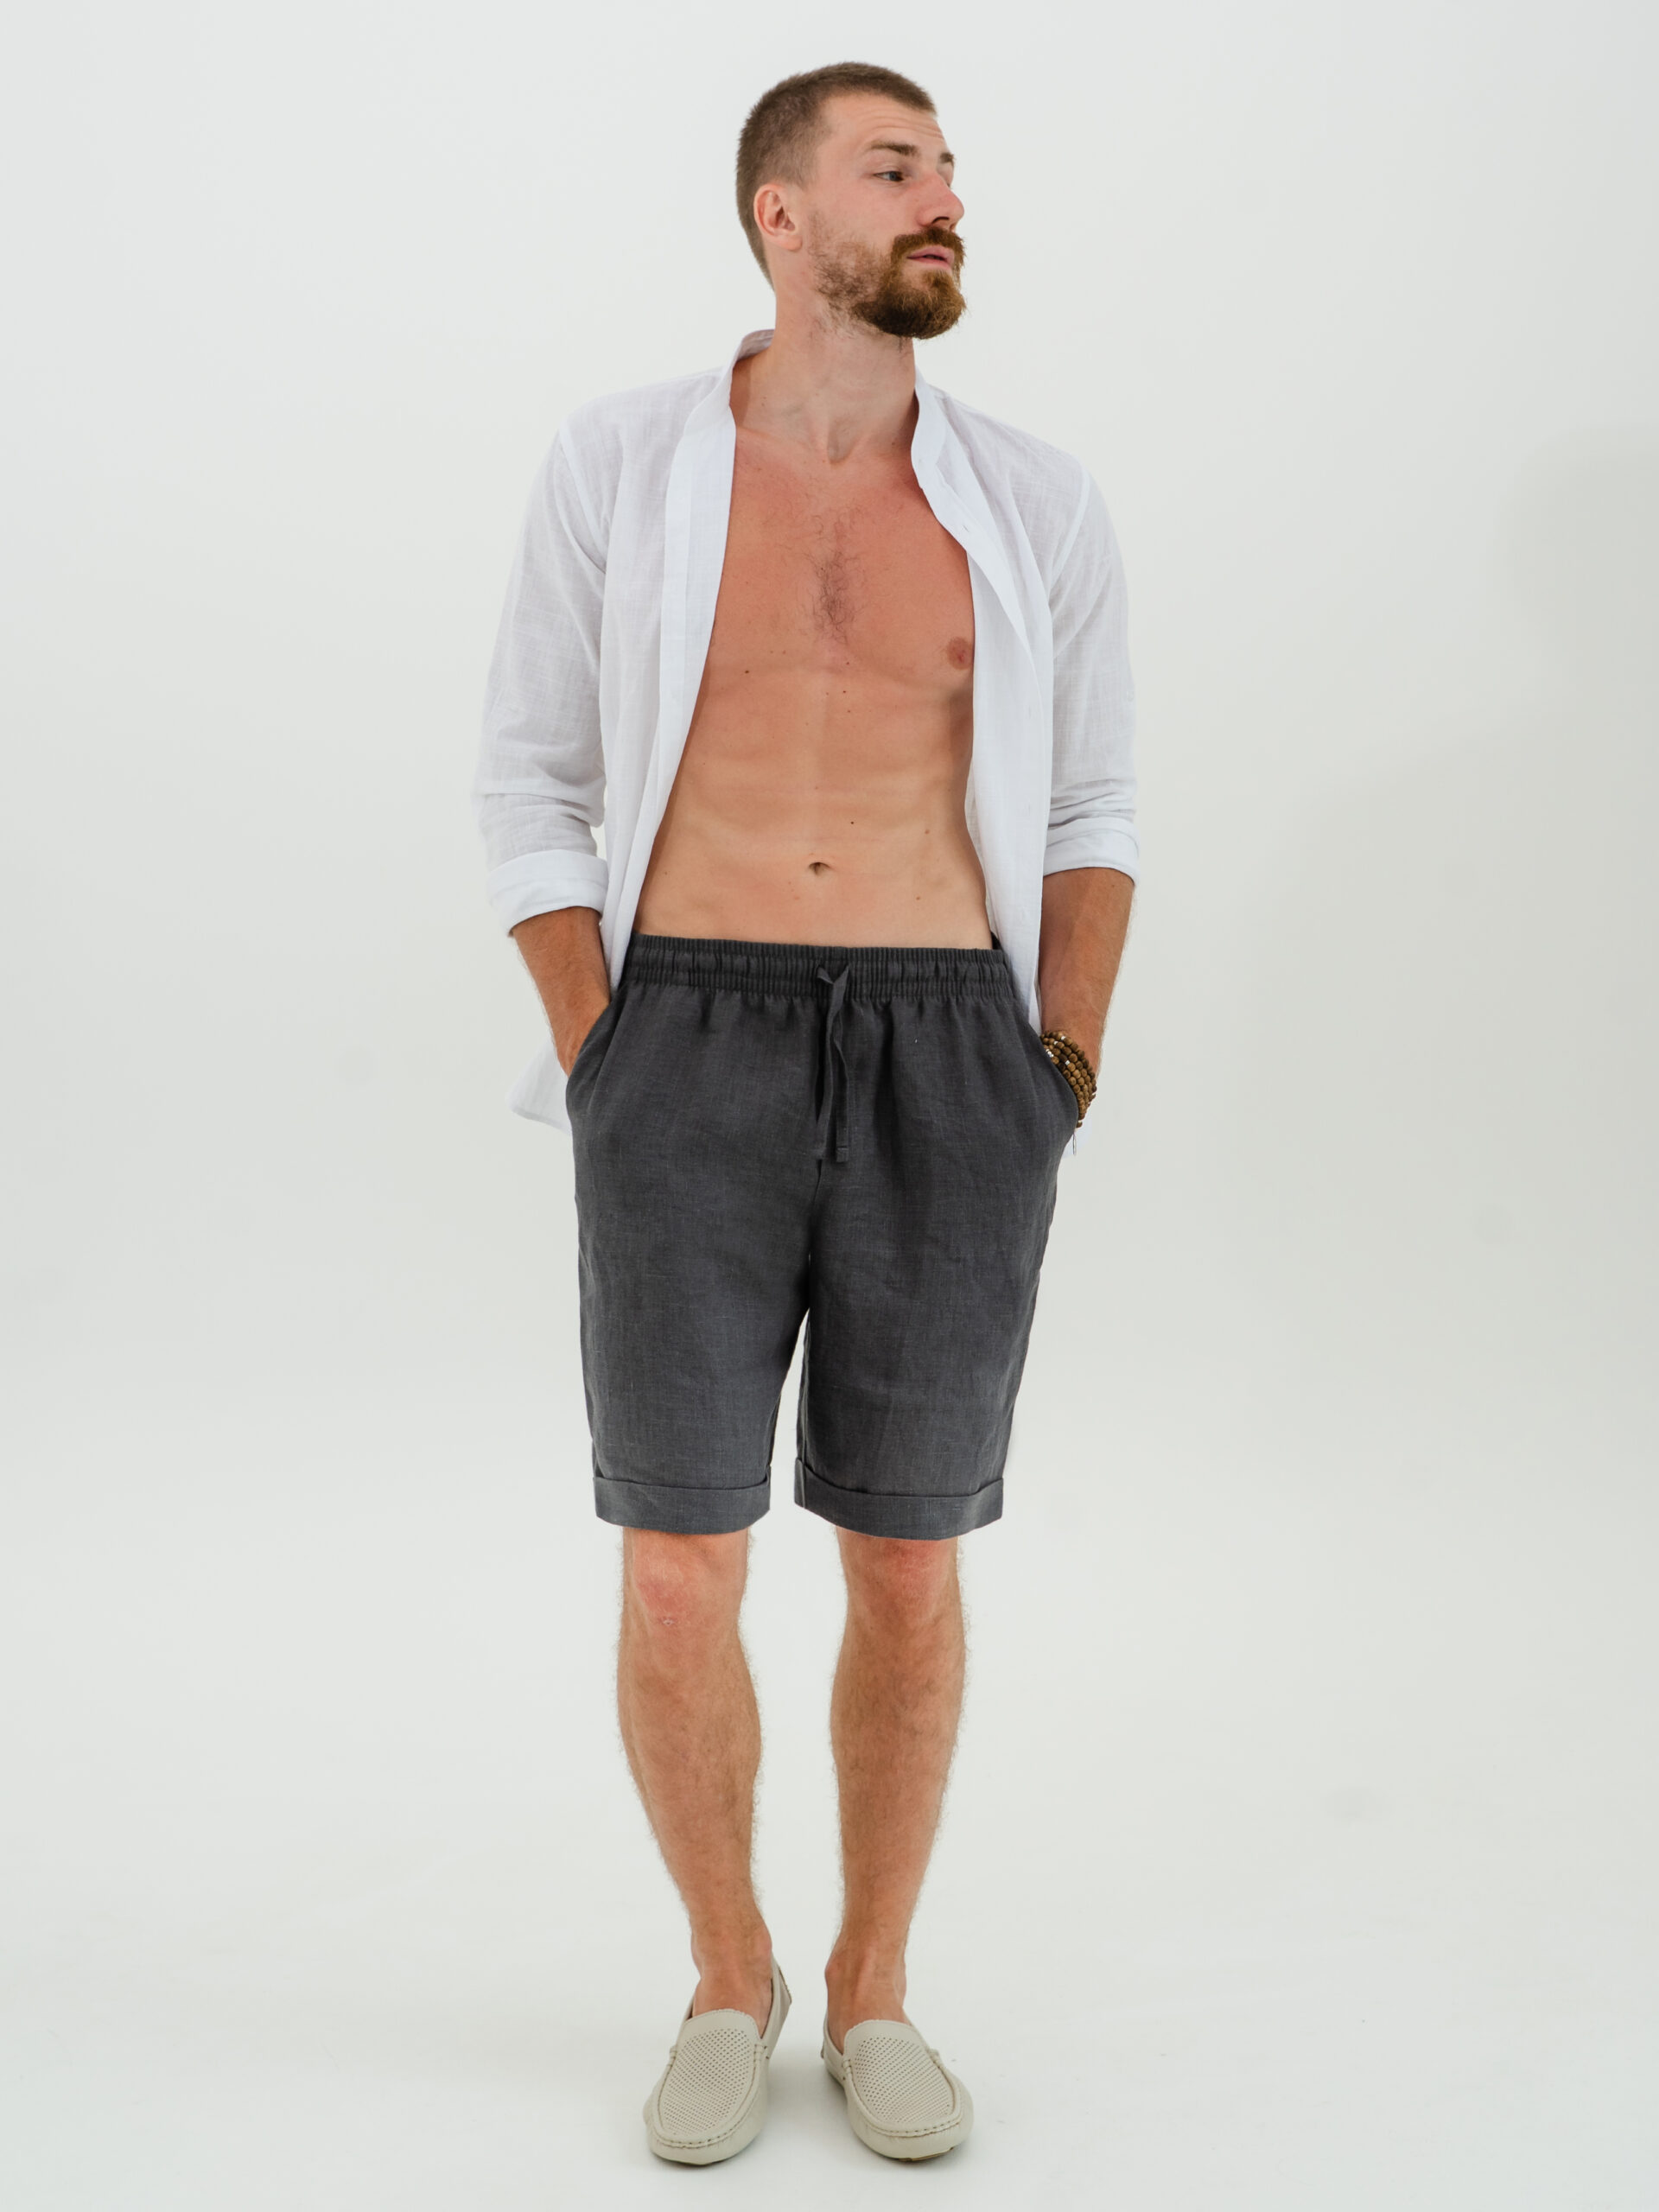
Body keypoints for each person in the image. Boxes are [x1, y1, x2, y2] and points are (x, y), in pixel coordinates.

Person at [474, 60, 1137, 2165]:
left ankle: (872, 1985)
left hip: (955, 1046)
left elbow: (1095, 803)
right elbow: (531, 779)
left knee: (909, 1559)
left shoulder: (1035, 498)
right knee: (681, 1556)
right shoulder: (621, 462)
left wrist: (1055, 1065)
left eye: (948, 171)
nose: (946, 200)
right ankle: (725, 1968)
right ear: (783, 214)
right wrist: (602, 1043)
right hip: (684, 1037)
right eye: (896, 167)